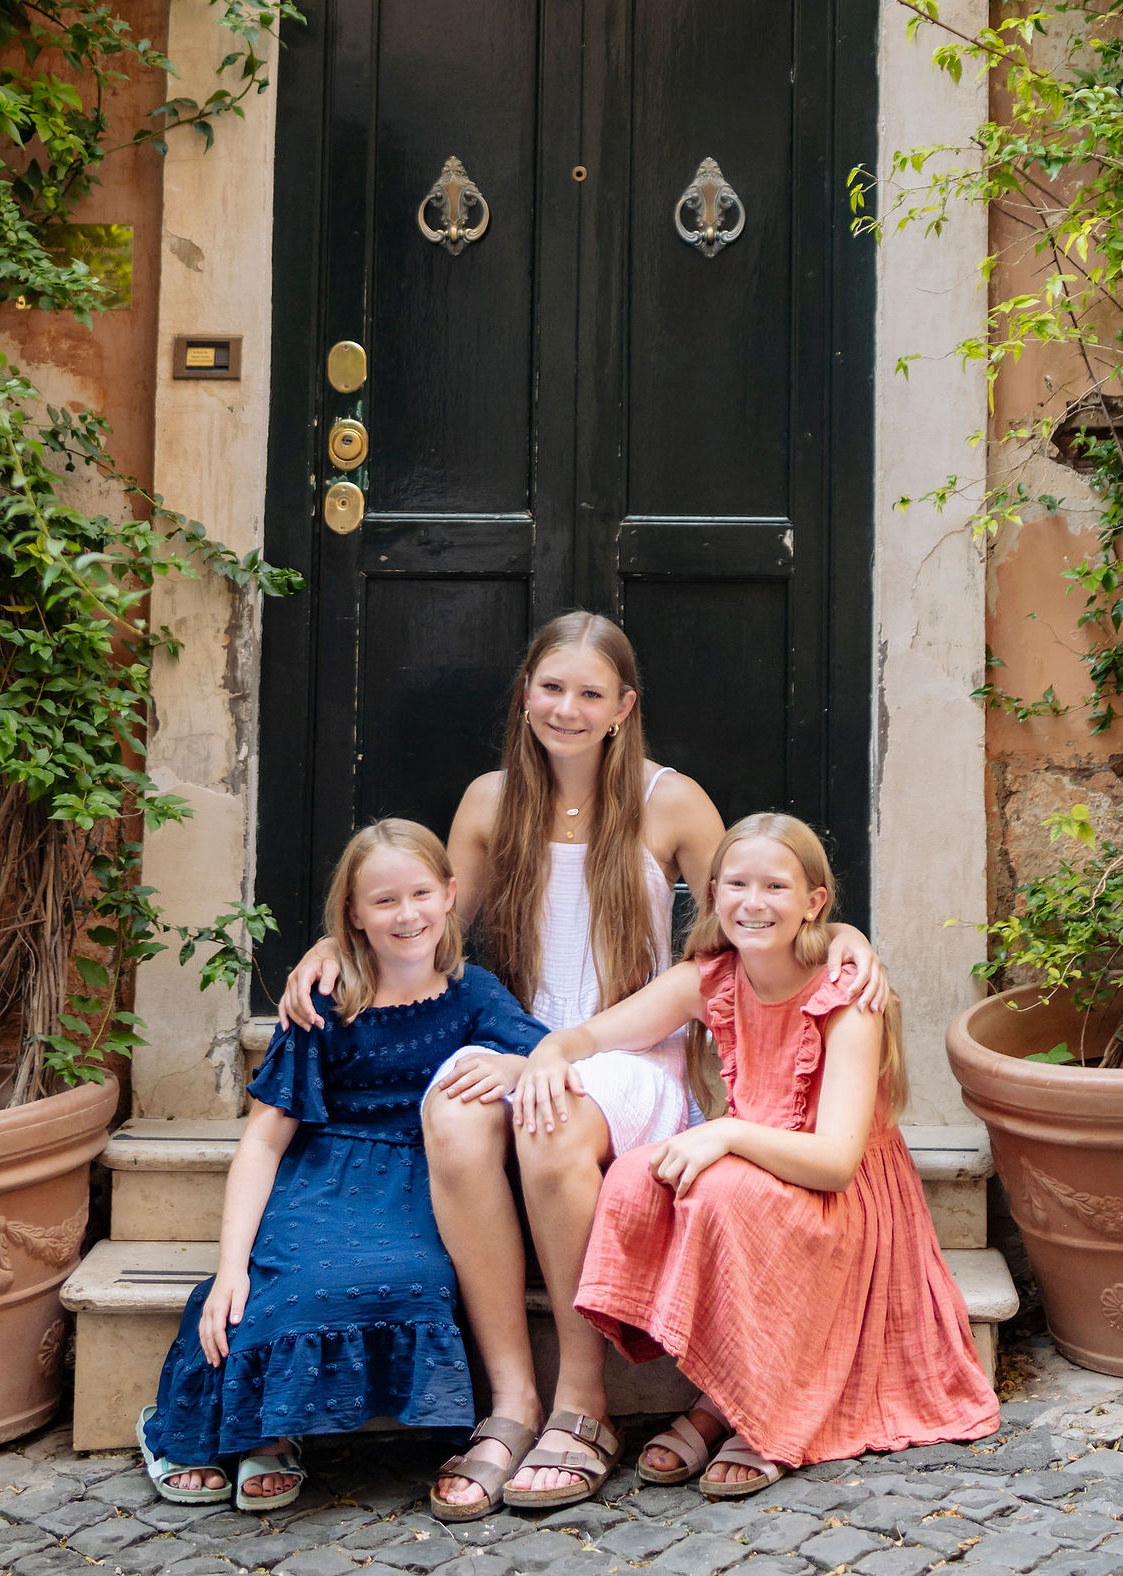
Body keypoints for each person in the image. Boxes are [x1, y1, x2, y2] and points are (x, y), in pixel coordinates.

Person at [274, 615, 886, 1518]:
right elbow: (429, 930)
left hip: (630, 1052)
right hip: (520, 1039)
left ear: (622, 708)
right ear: (525, 692)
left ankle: (583, 1403)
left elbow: (755, 904)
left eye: (591, 693)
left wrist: (850, 939)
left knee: (549, 1113)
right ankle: (514, 1401)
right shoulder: (488, 803)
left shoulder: (671, 802)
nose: (568, 707)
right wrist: (333, 948)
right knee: (450, 1108)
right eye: (552, 687)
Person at [519, 811, 997, 1496]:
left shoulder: (847, 999)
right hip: (757, 1171)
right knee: (633, 1177)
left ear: (814, 902)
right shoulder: (710, 978)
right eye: (737, 883)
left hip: (839, 1194)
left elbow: (834, 1160)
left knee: (715, 1189)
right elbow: (592, 1036)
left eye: (775, 886)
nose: (753, 902)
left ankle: (756, 1409)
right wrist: (549, 1052)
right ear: (712, 893)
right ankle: (720, 1395)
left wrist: (727, 1132)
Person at [138, 818, 545, 1512]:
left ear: (450, 895)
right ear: (353, 914)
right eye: (383, 901)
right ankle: (246, 1433)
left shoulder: (474, 995)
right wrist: (231, 1264)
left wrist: (512, 1064)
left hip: (422, 1181)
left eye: (420, 893)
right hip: (322, 1173)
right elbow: (264, 1141)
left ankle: (296, 1419)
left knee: (416, 1279)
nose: (406, 914)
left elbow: (545, 1058)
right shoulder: (325, 1001)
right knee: (284, 1285)